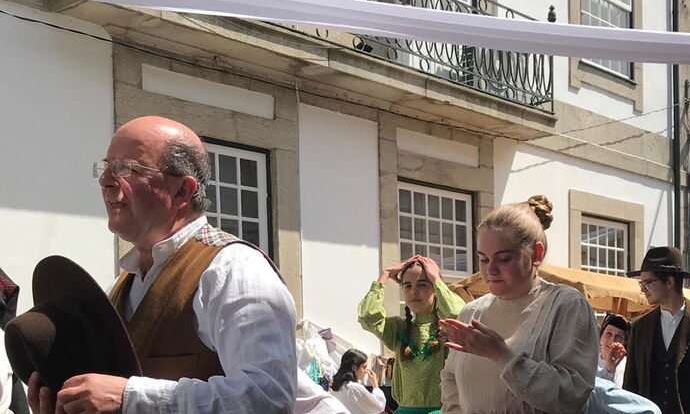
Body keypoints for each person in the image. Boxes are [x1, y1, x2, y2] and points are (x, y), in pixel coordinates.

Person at [24, 116, 336, 414]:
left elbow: (266, 398)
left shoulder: (234, 270)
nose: (106, 180)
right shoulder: (118, 289)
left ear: (182, 191)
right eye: (106, 168)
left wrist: (130, 397)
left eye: (125, 168)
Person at [439, 197, 598, 413]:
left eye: (503, 259)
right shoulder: (471, 311)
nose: (490, 270)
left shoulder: (566, 305)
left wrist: (502, 355)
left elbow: (572, 396)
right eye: (484, 259)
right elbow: (450, 383)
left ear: (537, 254)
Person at [622, 246, 690, 414]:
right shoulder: (640, 326)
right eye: (641, 283)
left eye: (647, 282)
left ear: (669, 282)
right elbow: (631, 386)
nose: (643, 289)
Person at [359, 254, 464, 414]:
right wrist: (384, 276)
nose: (414, 291)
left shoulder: (447, 326)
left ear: (436, 290)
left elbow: (459, 313)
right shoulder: (399, 328)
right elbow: (368, 316)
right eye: (407, 286)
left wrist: (438, 280)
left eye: (422, 285)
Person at [330, 350, 387, 414]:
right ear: (354, 367)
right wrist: (375, 385)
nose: (366, 371)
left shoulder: (336, 385)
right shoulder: (354, 388)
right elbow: (378, 407)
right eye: (364, 367)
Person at [597, 314, 630, 386]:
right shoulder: (590, 362)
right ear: (600, 338)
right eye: (609, 333)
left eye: (619, 336)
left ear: (624, 342)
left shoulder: (629, 366)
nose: (612, 340)